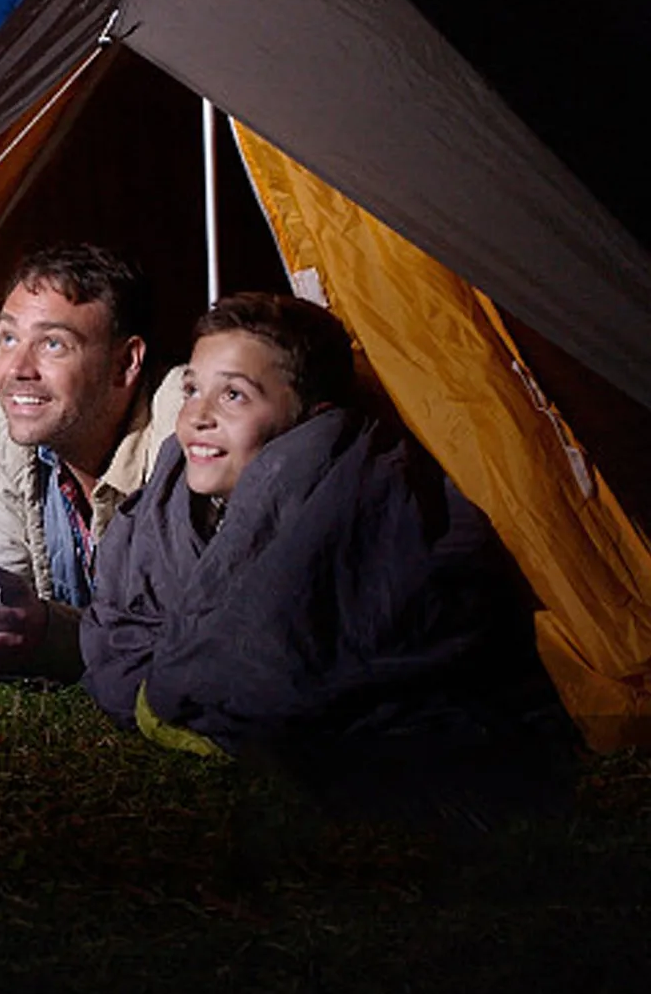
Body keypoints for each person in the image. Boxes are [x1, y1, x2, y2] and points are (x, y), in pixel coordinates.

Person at [82, 293, 570, 801]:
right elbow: (121, 624)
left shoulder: (360, 502)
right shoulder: (171, 492)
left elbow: (291, 653)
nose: (197, 416)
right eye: (192, 389)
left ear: (312, 420)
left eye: (235, 396)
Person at [0, 244, 184, 679]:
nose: (18, 369)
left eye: (53, 344)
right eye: (8, 338)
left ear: (125, 363)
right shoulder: (0, 424)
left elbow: (199, 638)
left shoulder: (186, 430)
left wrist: (50, 636)